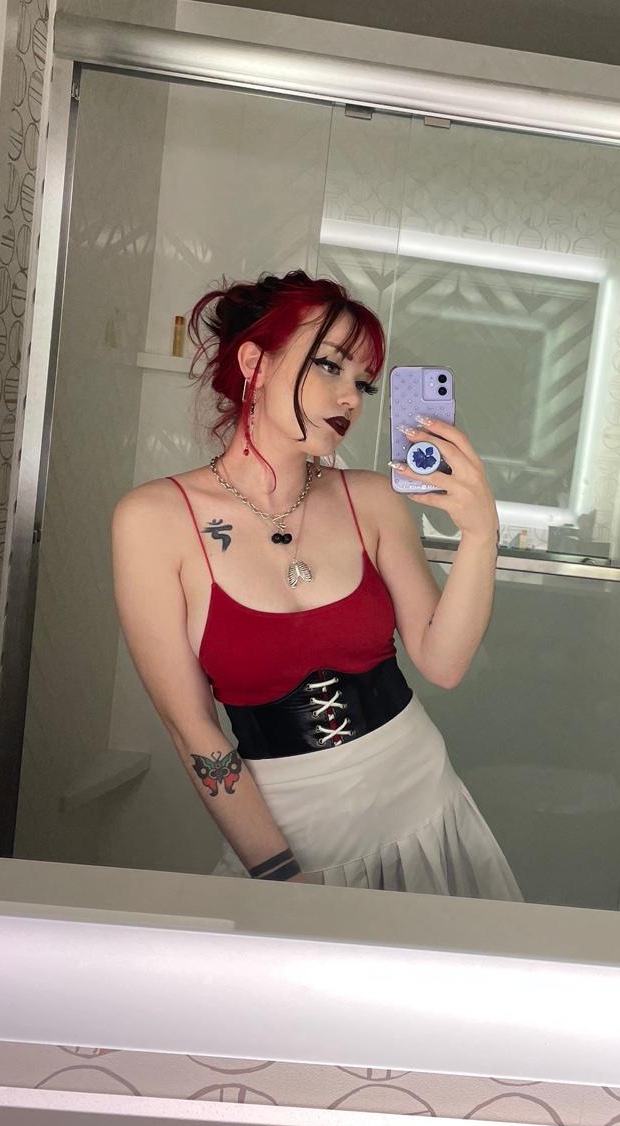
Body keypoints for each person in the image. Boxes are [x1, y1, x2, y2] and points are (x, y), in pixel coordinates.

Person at [111, 271, 522, 899]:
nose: (351, 398)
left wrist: (480, 533)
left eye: (363, 382)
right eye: (330, 366)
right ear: (255, 364)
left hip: (426, 804)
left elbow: (444, 663)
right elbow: (190, 725)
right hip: (293, 838)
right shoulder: (152, 520)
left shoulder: (372, 500)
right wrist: (282, 875)